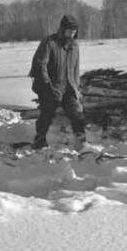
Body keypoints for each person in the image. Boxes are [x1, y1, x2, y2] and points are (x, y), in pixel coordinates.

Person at [29, 14, 87, 150]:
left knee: (77, 112)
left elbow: (76, 69)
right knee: (47, 110)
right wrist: (48, 86)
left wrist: (76, 88)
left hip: (69, 87)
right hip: (51, 86)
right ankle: (40, 138)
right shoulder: (49, 43)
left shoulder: (74, 46)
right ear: (62, 29)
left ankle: (81, 140)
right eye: (69, 31)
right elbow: (40, 65)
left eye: (74, 32)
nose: (72, 34)